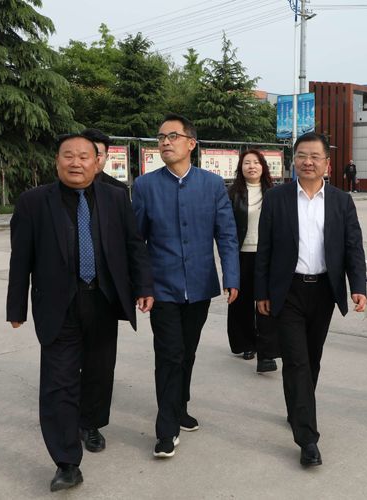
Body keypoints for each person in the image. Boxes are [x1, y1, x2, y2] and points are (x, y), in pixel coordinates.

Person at [6, 133, 154, 491]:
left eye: (84, 156)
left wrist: (143, 286)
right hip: (58, 304)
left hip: (103, 300)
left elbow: (134, 245)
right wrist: (16, 306)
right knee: (58, 382)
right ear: (57, 161)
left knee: (100, 373)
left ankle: (91, 423)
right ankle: (67, 461)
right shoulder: (33, 202)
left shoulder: (116, 198)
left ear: (97, 162)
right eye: (68, 155)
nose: (76, 162)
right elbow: (20, 257)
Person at [132, 113, 240, 459]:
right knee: (169, 354)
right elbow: (136, 242)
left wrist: (232, 277)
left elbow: (226, 235)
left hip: (200, 285)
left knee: (187, 352)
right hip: (161, 287)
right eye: (161, 137)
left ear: (191, 143)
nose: (165, 142)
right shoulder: (145, 186)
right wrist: (142, 285)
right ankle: (166, 429)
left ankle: (180, 406)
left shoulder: (212, 185)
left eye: (173, 136)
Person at [255, 132, 367, 467]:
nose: (308, 162)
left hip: (323, 290)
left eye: (315, 156)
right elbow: (264, 249)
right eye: (302, 155)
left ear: (327, 164)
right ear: (294, 160)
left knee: (312, 359)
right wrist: (261, 292)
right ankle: (307, 439)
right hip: (287, 290)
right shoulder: (276, 198)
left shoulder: (341, 201)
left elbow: (353, 246)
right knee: (296, 361)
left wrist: (357, 286)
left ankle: (297, 408)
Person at [227, 149, 279, 372]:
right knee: (242, 302)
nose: (252, 166)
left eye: (256, 162)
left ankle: (266, 350)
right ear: (241, 168)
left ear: (263, 166)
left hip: (267, 255)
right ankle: (246, 343)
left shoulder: (274, 193)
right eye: (247, 163)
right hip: (242, 254)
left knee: (266, 301)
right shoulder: (232, 193)